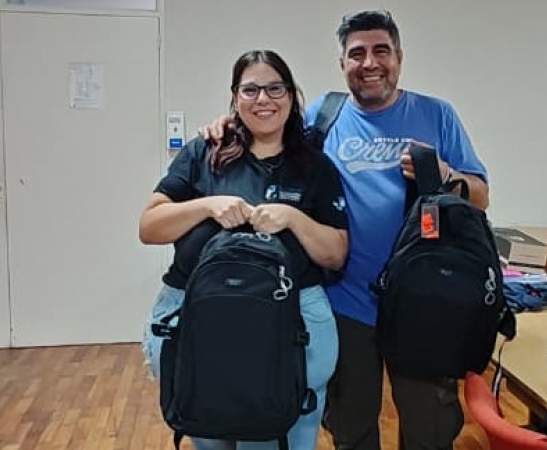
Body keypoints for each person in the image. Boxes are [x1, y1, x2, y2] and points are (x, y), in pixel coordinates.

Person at [200, 11, 490, 450]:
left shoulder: (436, 114)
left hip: (424, 304)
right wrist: (224, 126)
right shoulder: (324, 114)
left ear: (399, 58)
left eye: (381, 51)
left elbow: (481, 195)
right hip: (346, 300)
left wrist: (448, 173)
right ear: (343, 65)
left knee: (429, 429)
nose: (369, 62)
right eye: (357, 53)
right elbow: (269, 129)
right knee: (350, 428)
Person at [140, 49, 349, 450]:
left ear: (291, 95)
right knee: (209, 427)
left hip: (292, 319)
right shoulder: (205, 153)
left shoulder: (315, 167)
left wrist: (294, 218)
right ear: (235, 98)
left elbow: (335, 254)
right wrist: (207, 205)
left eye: (275, 88)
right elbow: (149, 227)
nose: (263, 99)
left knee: (281, 432)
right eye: (250, 90)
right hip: (199, 313)